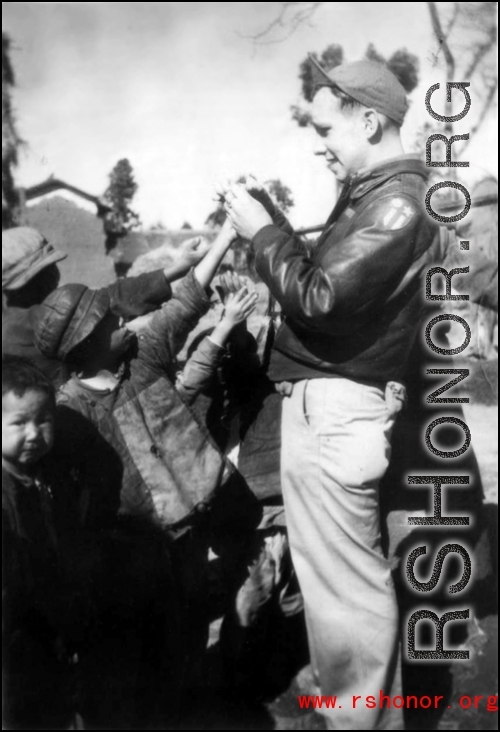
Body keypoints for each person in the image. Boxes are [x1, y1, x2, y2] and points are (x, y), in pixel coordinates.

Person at [221, 59, 441, 730]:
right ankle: (355, 708)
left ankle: (362, 719)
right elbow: (328, 281)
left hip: (338, 409)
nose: (319, 141)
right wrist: (274, 219)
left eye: (326, 127)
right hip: (334, 404)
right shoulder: (381, 193)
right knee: (337, 588)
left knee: (348, 594)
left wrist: (260, 231)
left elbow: (320, 296)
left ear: (369, 121)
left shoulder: (398, 201)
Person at [30, 220, 260, 726]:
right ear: (87, 343)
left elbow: (189, 296)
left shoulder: (145, 358)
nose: (127, 323)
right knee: (146, 641)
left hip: (195, 519)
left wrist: (226, 234)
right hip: (137, 549)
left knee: (191, 620)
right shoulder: (71, 414)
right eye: (114, 322)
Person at [2, 225, 210, 386]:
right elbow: (111, 299)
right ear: (36, 280)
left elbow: (108, 296)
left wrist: (180, 266)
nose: (55, 273)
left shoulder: (18, 319)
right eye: (49, 268)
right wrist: (181, 267)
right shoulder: (43, 318)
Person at [2, 355, 80, 730]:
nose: (33, 433)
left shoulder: (53, 477)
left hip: (50, 622)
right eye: (18, 423)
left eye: (43, 420)